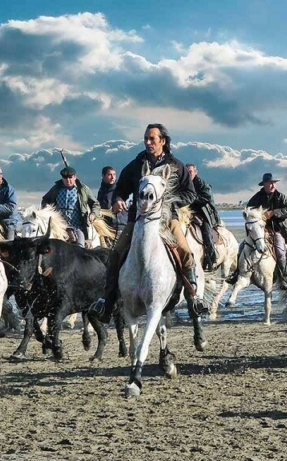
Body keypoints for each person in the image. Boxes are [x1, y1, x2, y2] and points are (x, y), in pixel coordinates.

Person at [89, 123, 206, 323]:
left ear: (163, 141)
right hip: (137, 220)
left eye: (152, 138)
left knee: (186, 252)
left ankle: (194, 297)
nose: (148, 142)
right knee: (116, 253)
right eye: (146, 138)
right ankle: (106, 302)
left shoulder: (176, 166)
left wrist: (169, 201)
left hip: (168, 219)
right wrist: (117, 199)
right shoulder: (135, 165)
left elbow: (190, 193)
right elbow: (121, 189)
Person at [245, 173, 287, 289]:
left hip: (275, 229)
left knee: (279, 250)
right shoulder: (257, 197)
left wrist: (274, 212)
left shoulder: (281, 196)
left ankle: (282, 277)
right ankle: (239, 272)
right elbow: (249, 209)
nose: (273, 185)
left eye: (274, 183)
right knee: (244, 246)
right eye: (270, 183)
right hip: (259, 230)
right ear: (264, 184)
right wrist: (258, 215)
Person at [41, 166, 100, 247]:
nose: (68, 180)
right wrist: (47, 210)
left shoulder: (83, 189)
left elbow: (95, 204)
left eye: (70, 177)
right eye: (65, 178)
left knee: (79, 248)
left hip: (77, 227)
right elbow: (45, 200)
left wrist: (93, 214)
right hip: (59, 228)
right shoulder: (56, 188)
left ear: (75, 177)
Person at [186, 163, 220, 271]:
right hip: (188, 213)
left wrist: (191, 198)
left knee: (206, 233)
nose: (188, 174)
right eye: (186, 172)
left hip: (204, 213)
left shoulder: (203, 184)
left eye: (190, 172)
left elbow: (206, 198)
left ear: (195, 172)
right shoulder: (183, 184)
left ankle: (211, 258)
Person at [96, 166, 128, 232]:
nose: (113, 177)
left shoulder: (120, 190)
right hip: (106, 225)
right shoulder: (101, 191)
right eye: (109, 175)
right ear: (103, 176)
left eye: (114, 174)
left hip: (120, 224)